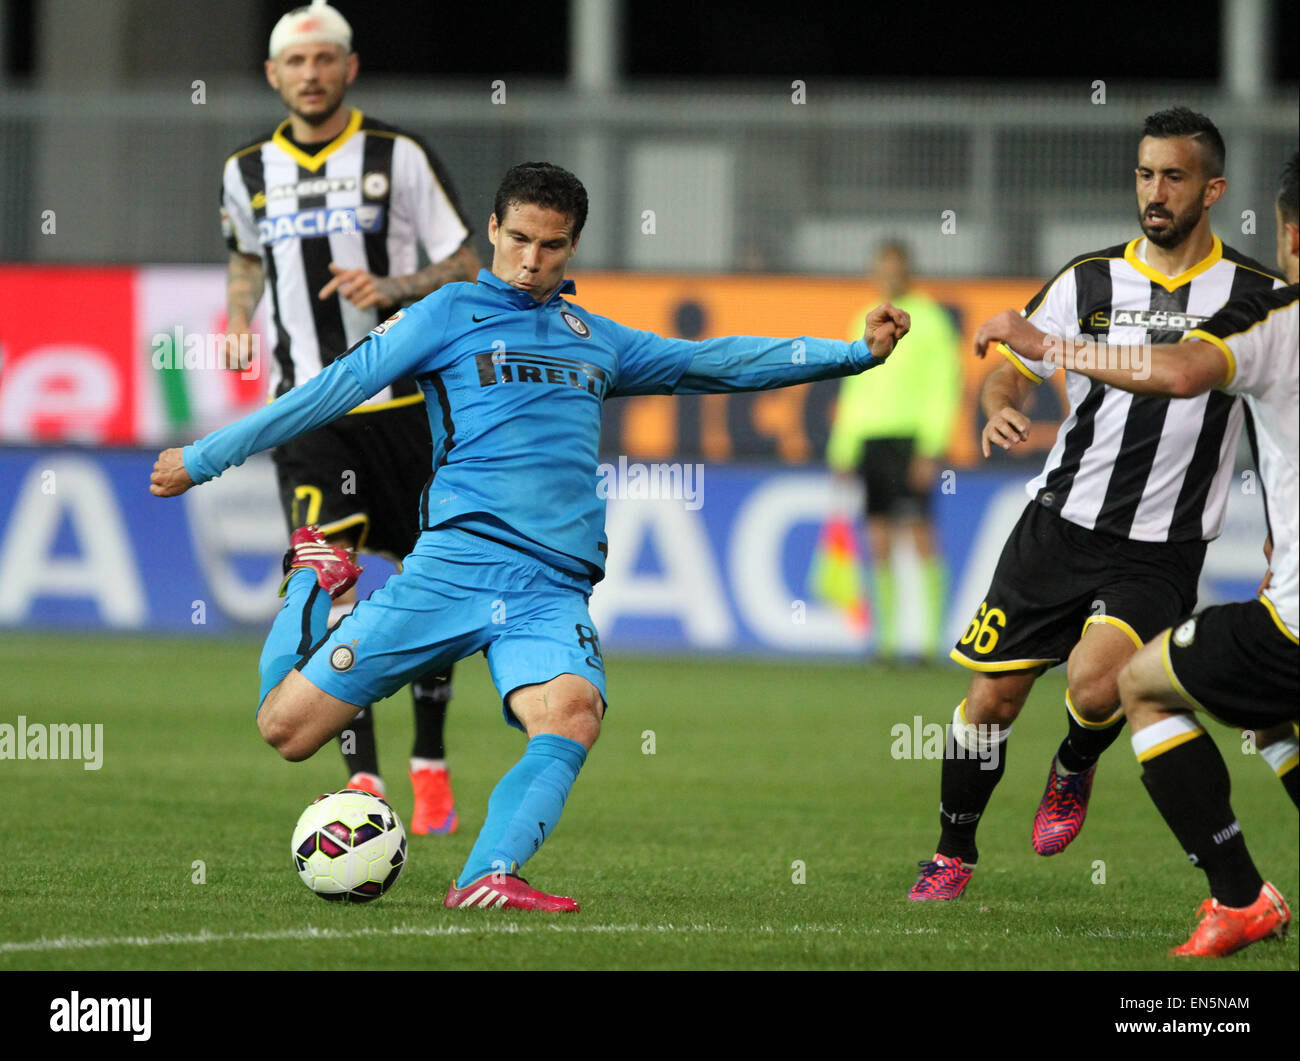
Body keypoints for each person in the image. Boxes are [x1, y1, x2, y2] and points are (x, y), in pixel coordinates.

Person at [152, 161, 910, 912]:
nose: (529, 259)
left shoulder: (596, 337)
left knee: (573, 713)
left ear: (571, 246)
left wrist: (856, 353)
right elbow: (330, 390)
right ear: (492, 228)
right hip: (454, 565)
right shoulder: (446, 313)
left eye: (550, 246)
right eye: (517, 238)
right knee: (286, 730)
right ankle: (312, 580)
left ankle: (487, 872)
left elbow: (715, 362)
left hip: (550, 586)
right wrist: (204, 457)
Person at [908, 107, 1286, 902]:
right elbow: (1010, 363)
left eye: (1174, 176)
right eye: (1146, 174)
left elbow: (1277, 414)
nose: (1155, 191)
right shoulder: (1088, 278)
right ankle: (953, 849)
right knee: (991, 699)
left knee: (1097, 683)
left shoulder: (1258, 295)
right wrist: (998, 403)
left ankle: (1075, 763)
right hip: (1060, 524)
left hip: (1163, 546)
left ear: (1212, 188)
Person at [220, 2, 480, 833]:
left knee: (429, 580)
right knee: (329, 577)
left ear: (348, 67)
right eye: (295, 63)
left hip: (407, 406)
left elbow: (467, 260)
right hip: (308, 412)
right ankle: (362, 777)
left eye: (324, 59)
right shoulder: (246, 169)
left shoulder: (396, 156)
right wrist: (235, 321)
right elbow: (245, 257)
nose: (310, 73)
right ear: (274, 75)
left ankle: (429, 754)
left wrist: (393, 289)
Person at [826, 241, 961, 660]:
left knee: (921, 538)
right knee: (879, 539)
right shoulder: (862, 317)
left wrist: (930, 447)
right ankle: (884, 644)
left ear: (907, 271)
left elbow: (944, 386)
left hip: (909, 440)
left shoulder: (932, 321)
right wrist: (843, 448)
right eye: (880, 268)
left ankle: (928, 644)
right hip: (870, 441)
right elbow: (853, 385)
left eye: (894, 268)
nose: (887, 276)